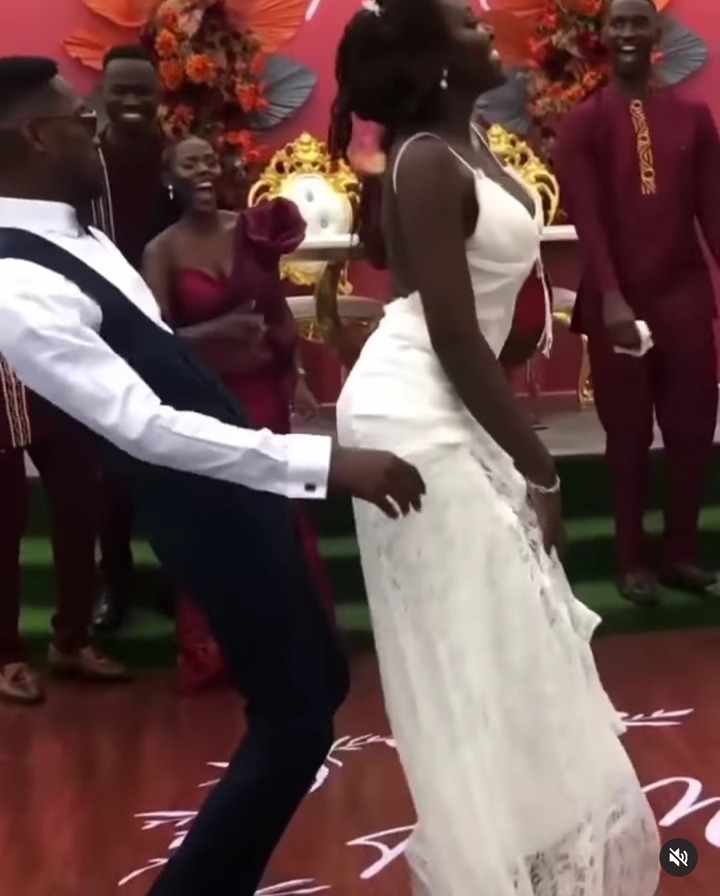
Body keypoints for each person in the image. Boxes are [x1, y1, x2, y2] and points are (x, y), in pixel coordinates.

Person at [0, 56, 425, 895]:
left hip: (239, 481)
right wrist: (322, 460)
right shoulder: (15, 282)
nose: (99, 135)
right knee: (294, 718)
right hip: (203, 509)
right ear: (35, 137)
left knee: (319, 683)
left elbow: (144, 351)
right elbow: (141, 427)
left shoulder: (78, 236)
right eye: (82, 123)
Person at [331, 1, 660, 893]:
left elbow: (476, 312)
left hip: (454, 394)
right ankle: (499, 863)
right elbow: (449, 333)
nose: (488, 32)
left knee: (515, 636)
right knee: (482, 642)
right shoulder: (426, 160)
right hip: (411, 413)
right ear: (436, 59)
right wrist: (537, 464)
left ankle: (539, 850)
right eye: (468, 27)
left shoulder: (465, 139)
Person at [142, 135, 334, 692]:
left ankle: (295, 641)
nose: (203, 169)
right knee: (217, 518)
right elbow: (154, 341)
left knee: (278, 513)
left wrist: (296, 377)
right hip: (202, 398)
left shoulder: (250, 232)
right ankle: (218, 650)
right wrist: (215, 332)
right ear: (170, 179)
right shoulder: (161, 251)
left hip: (262, 393)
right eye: (189, 162)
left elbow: (275, 312)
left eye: (209, 160)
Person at [555, 0, 720, 605]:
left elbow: (713, 214)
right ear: (602, 34)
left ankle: (681, 553)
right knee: (626, 437)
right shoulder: (583, 124)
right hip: (617, 301)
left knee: (693, 430)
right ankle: (631, 560)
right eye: (616, 23)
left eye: (637, 22)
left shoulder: (694, 119)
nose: (626, 32)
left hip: (684, 295)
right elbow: (589, 223)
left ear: (656, 32)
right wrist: (612, 298)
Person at [90, 44, 176, 631]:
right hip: (99, 329)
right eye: (118, 89)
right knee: (107, 471)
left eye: (140, 90)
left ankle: (177, 578)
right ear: (102, 92)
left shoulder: (178, 160)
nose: (129, 100)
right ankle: (113, 584)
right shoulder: (82, 162)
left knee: (173, 458)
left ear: (157, 94)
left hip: (170, 331)